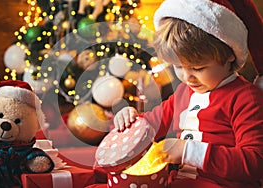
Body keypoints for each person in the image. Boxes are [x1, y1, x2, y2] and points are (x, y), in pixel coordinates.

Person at [113, 0, 263, 187]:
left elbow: (254, 162)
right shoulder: (184, 92)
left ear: (230, 54)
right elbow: (151, 124)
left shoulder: (246, 98)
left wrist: (188, 152)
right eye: (177, 67)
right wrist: (131, 121)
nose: (186, 77)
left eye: (198, 68)